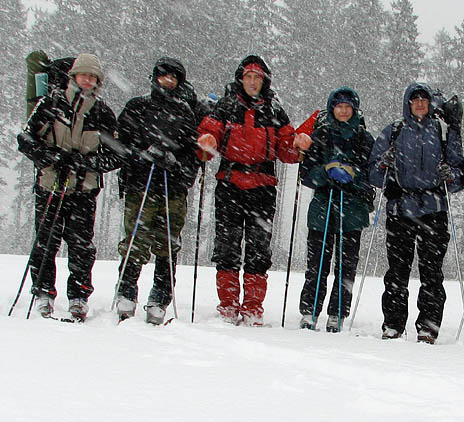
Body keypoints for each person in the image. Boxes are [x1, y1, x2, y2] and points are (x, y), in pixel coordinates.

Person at [197, 55, 312, 326]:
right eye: (248, 77)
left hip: (262, 186)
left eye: (257, 77)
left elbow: (286, 150)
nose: (252, 82)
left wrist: (299, 145)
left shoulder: (274, 110)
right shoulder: (225, 106)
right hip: (230, 183)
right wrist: (207, 140)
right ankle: (228, 305)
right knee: (227, 247)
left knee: (259, 250)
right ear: (241, 79)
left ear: (264, 81)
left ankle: (252, 307)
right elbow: (208, 135)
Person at [17, 53, 119, 321]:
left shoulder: (103, 112)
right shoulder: (50, 103)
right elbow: (25, 139)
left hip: (84, 189)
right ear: (73, 77)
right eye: (83, 75)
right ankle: (43, 292)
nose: (87, 80)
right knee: (45, 241)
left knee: (81, 245)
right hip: (50, 184)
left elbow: (117, 155)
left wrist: (85, 162)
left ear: (98, 81)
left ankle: (78, 295)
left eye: (93, 77)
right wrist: (50, 157)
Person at [367, 82, 464, 344]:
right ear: (407, 103)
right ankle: (393, 324)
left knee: (431, 272)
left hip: (434, 209)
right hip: (400, 209)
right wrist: (384, 163)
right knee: (397, 271)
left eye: (424, 99)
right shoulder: (395, 131)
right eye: (414, 99)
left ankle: (428, 327)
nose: (419, 103)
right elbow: (374, 174)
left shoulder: (443, 133)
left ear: (431, 103)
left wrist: (451, 175)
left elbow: (459, 175)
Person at [115, 57, 199, 324]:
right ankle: (126, 290)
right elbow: (120, 145)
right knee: (135, 240)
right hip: (141, 185)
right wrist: (141, 156)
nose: (169, 81)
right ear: (155, 78)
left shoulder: (186, 113)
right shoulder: (137, 106)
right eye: (164, 76)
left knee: (168, 244)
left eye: (174, 78)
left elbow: (192, 154)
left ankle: (160, 296)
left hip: (172, 188)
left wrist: (176, 165)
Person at [298, 87, 374, 332]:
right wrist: (326, 172)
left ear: (354, 110)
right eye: (339, 106)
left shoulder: (364, 138)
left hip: (352, 211)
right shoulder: (321, 135)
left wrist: (352, 174)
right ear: (332, 108)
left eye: (347, 106)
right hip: (322, 207)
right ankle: (310, 311)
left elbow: (371, 174)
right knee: (317, 264)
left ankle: (337, 313)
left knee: (346, 266)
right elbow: (306, 174)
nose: (343, 110)